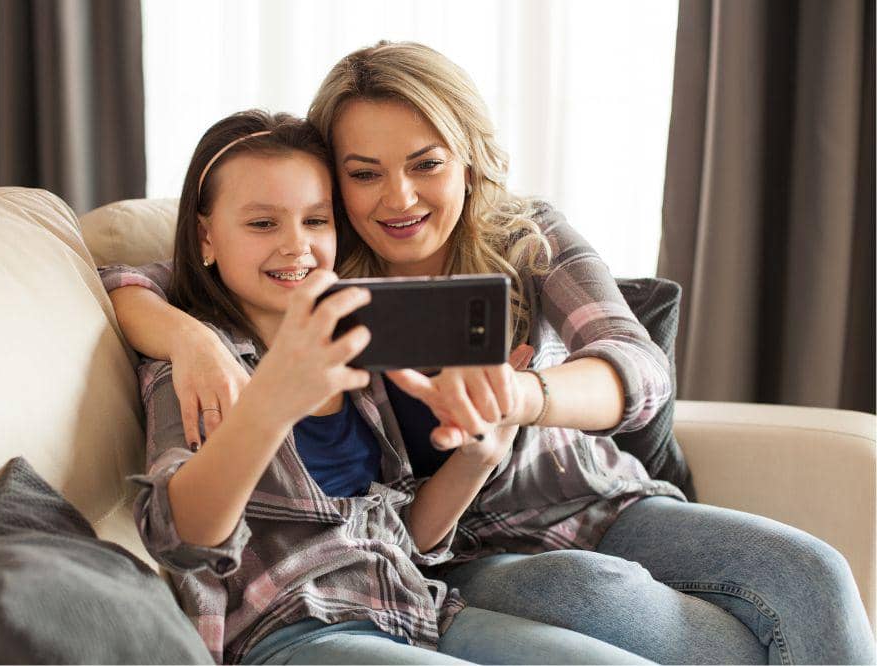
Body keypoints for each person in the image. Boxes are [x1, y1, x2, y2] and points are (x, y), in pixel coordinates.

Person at [103, 43, 875, 665]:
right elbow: (134, 275)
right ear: (336, 181)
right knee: (597, 601)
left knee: (811, 577)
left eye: (426, 163)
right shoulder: (323, 289)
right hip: (451, 554)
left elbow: (634, 367)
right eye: (364, 174)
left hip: (587, 502)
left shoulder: (522, 239)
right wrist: (188, 336)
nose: (398, 199)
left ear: (466, 157)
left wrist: (522, 398)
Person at [114, 109, 650, 665]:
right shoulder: (195, 369)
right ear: (207, 236)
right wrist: (265, 398)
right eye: (262, 224)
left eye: (316, 221)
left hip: (417, 610)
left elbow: (408, 539)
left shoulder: (358, 351)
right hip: (294, 631)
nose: (296, 246)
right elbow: (184, 537)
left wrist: (479, 455)